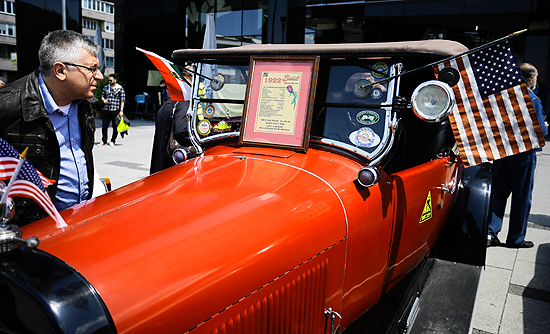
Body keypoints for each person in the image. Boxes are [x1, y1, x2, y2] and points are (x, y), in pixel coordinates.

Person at [0, 29, 102, 225]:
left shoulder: (84, 103)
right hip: (33, 231)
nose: (98, 75)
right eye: (92, 68)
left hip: (79, 219)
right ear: (60, 70)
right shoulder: (8, 104)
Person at [488, 63, 548, 248]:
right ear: (531, 79)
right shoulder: (533, 99)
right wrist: (546, 126)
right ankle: (515, 239)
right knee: (521, 198)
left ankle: (490, 233)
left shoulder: (502, 97)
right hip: (523, 155)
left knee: (498, 193)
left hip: (502, 151)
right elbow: (540, 132)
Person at [100, 74, 125, 146]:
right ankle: (104, 140)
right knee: (104, 125)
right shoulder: (106, 88)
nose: (109, 81)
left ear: (115, 80)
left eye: (111, 80)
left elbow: (122, 100)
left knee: (115, 126)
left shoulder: (120, 89)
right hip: (107, 109)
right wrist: (104, 100)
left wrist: (121, 110)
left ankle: (113, 140)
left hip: (115, 109)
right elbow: (102, 96)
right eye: (109, 80)